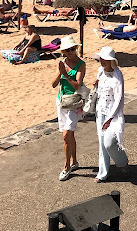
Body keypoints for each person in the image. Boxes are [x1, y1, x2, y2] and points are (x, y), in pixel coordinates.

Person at [92, 46, 129, 183]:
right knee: (102, 143)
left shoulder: (118, 76)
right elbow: (98, 92)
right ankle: (103, 173)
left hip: (113, 115)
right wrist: (95, 85)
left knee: (110, 143)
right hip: (100, 111)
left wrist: (110, 117)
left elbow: (119, 99)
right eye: (101, 59)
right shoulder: (100, 72)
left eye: (105, 59)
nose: (102, 61)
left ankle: (122, 162)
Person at [52, 36, 86, 181]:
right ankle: (74, 161)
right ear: (64, 51)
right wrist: (60, 72)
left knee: (66, 135)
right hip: (62, 101)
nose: (72, 52)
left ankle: (66, 167)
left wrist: (65, 73)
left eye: (73, 49)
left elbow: (77, 85)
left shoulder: (81, 64)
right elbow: (53, 84)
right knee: (69, 135)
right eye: (68, 50)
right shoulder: (63, 63)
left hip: (74, 103)